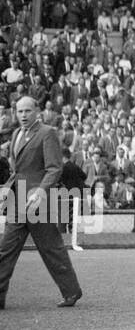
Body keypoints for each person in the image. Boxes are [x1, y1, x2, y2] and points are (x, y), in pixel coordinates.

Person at [0, 96, 83, 309]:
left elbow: (54, 168)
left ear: (37, 111)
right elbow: (18, 172)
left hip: (40, 203)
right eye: (20, 111)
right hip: (17, 201)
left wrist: (40, 192)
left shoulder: (47, 133)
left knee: (51, 249)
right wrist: (6, 188)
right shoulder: (17, 134)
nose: (23, 115)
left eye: (28, 111)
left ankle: (71, 291)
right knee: (5, 250)